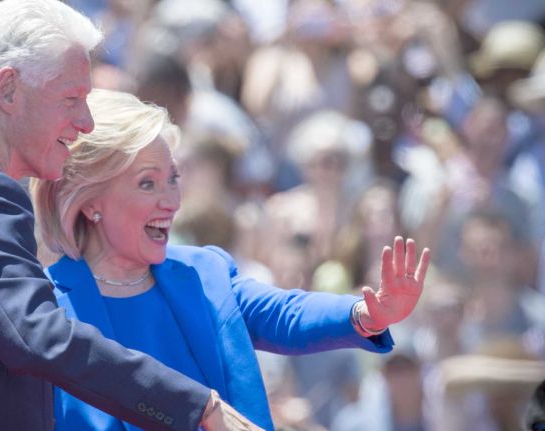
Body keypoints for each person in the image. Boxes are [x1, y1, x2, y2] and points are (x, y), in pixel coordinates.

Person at [0, 1, 260, 430]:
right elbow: (42, 337)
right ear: (8, 89)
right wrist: (195, 406)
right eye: (72, 98)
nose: (85, 122)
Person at [32, 89, 432, 431]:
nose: (171, 201)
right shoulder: (46, 307)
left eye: (173, 178)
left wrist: (367, 312)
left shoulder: (204, 272)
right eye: (147, 183)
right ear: (91, 202)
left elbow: (284, 313)